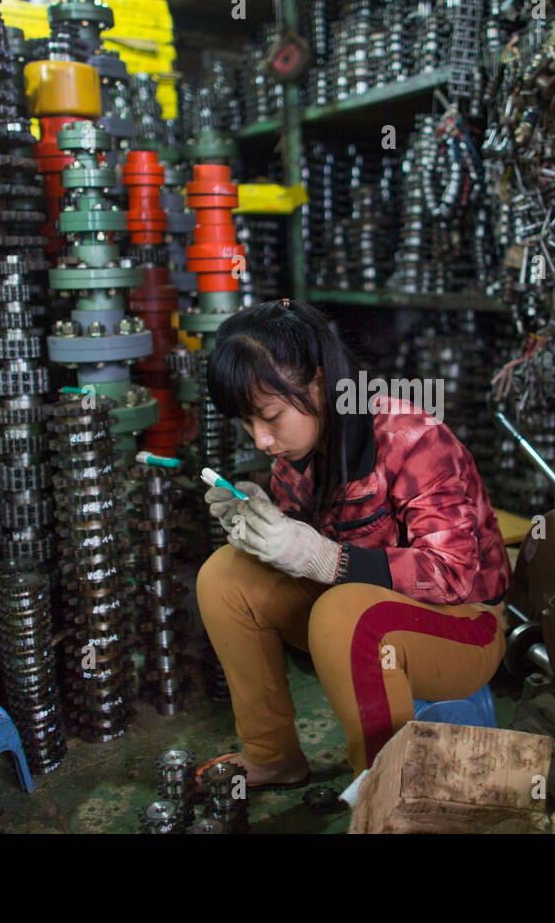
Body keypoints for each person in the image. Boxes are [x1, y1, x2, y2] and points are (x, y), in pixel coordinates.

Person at [195, 299, 511, 787]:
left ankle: (388, 789)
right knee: (224, 576)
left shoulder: (411, 438)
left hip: (465, 626)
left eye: (270, 416)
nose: (259, 438)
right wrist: (265, 525)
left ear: (320, 383)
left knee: (345, 613)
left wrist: (324, 558)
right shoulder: (293, 456)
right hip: (361, 614)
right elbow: (303, 555)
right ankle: (273, 754)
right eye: (246, 422)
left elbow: (454, 575)